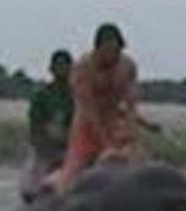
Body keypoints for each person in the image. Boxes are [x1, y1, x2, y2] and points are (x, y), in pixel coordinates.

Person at [43, 23, 148, 194]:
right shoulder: (82, 68)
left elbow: (131, 107)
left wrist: (131, 137)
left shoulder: (128, 67)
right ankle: (56, 181)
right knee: (71, 177)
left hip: (114, 120)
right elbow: (87, 109)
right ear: (97, 49)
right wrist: (106, 146)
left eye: (116, 51)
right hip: (86, 124)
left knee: (141, 164)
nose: (112, 56)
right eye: (107, 51)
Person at [18, 49, 74, 203]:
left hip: (73, 149)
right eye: (58, 66)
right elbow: (35, 126)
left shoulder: (78, 95)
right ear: (51, 69)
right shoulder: (42, 95)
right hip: (45, 147)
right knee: (30, 186)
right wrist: (44, 147)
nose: (61, 70)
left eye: (65, 66)